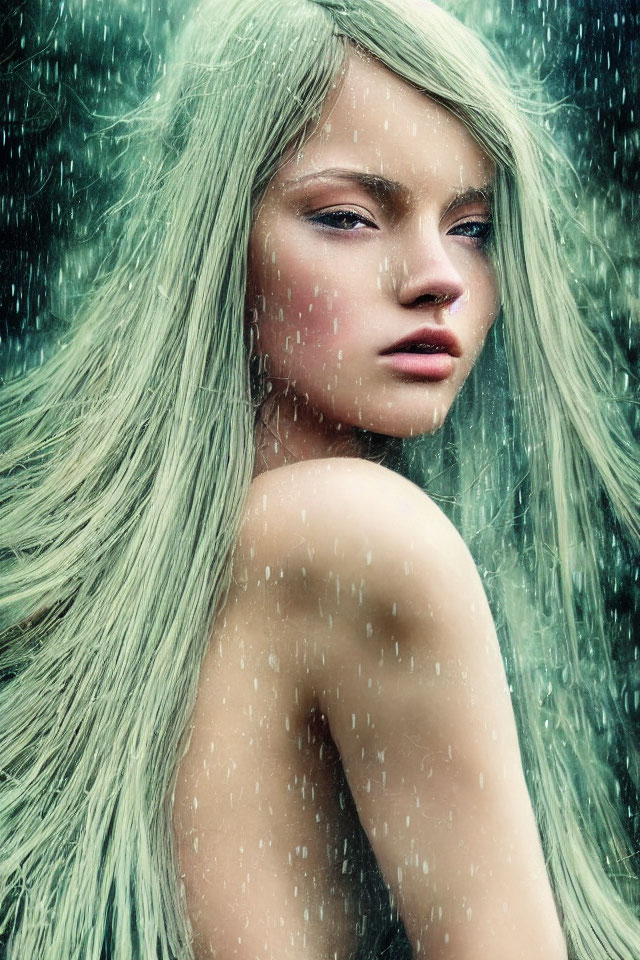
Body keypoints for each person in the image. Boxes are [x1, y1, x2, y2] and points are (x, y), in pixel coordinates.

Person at [0, 1, 638, 958]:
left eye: (472, 227)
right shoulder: (359, 536)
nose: (438, 278)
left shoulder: (150, 584)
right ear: (218, 237)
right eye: (348, 216)